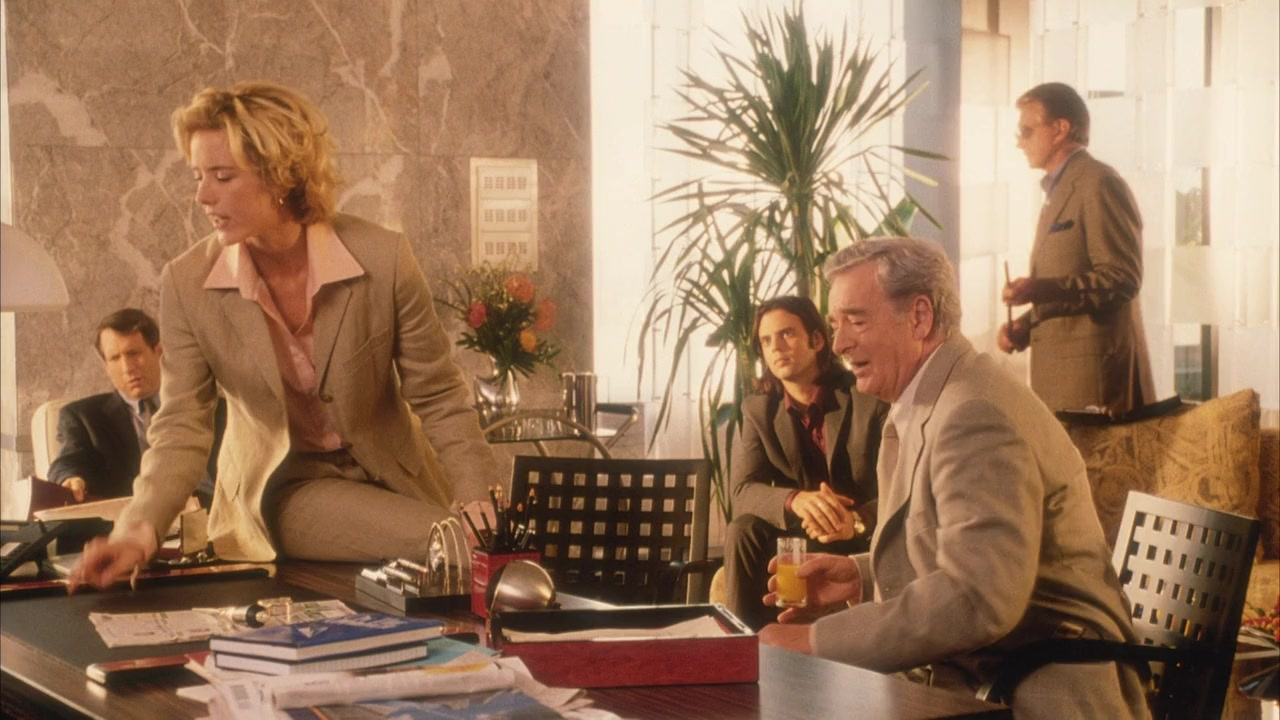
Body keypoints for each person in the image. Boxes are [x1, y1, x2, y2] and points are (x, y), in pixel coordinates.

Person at [71, 81, 501, 590]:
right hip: (287, 491)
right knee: (453, 545)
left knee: (481, 544)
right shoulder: (187, 283)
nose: (202, 195)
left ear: (280, 174)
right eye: (198, 176)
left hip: (401, 481)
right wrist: (136, 533)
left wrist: (477, 493)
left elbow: (439, 395)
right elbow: (182, 426)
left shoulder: (383, 258)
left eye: (223, 176)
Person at [758, 237, 1150, 719]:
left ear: (919, 317)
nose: (839, 344)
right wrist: (861, 576)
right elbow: (969, 551)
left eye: (856, 321)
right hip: (987, 677)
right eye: (836, 325)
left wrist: (817, 641)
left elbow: (978, 597)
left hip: (1043, 693)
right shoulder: (936, 396)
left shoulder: (973, 413)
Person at [725, 296, 886, 629]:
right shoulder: (759, 410)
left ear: (817, 340)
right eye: (766, 341)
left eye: (787, 334)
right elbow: (742, 491)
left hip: (859, 536)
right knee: (743, 529)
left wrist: (856, 520)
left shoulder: (866, 396)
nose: (776, 348)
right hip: (801, 535)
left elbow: (902, 487)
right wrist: (796, 500)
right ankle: (744, 644)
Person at [999, 82, 1155, 418]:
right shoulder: (1061, 190)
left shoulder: (1098, 183)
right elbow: (1073, 283)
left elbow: (1121, 278)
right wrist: (1028, 323)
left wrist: (1038, 290)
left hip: (1094, 387)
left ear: (1060, 129)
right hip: (1064, 383)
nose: (1019, 142)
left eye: (1026, 131)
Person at [48, 308, 223, 506]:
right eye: (115, 358)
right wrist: (70, 478)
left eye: (133, 353)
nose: (127, 368)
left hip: (211, 513)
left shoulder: (208, 405)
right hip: (133, 517)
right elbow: (68, 461)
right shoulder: (83, 417)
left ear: (159, 352)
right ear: (106, 366)